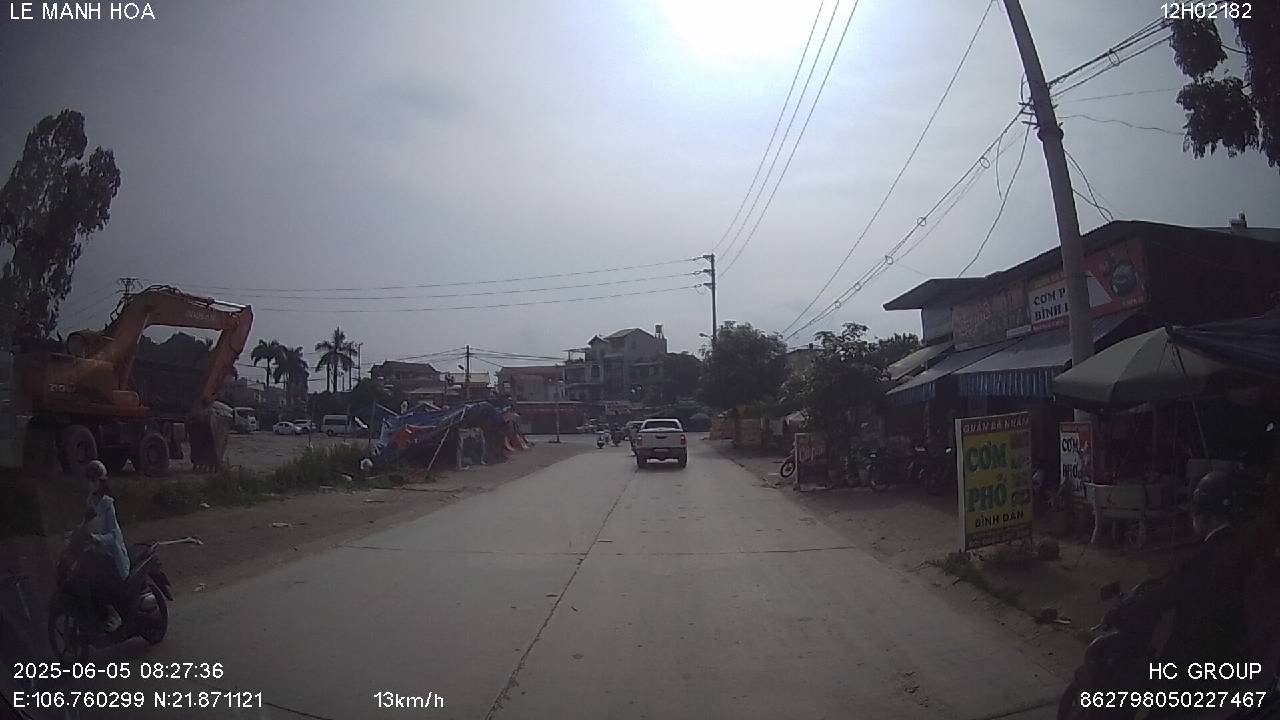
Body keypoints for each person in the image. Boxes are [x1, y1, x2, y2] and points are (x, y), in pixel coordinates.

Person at [80, 460, 130, 632]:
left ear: (101, 481)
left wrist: (96, 538)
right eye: (89, 479)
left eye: (94, 480)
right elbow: (85, 523)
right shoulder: (90, 501)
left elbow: (114, 535)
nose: (91, 483)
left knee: (102, 584)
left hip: (113, 557)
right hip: (97, 554)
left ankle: (116, 616)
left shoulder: (108, 504)